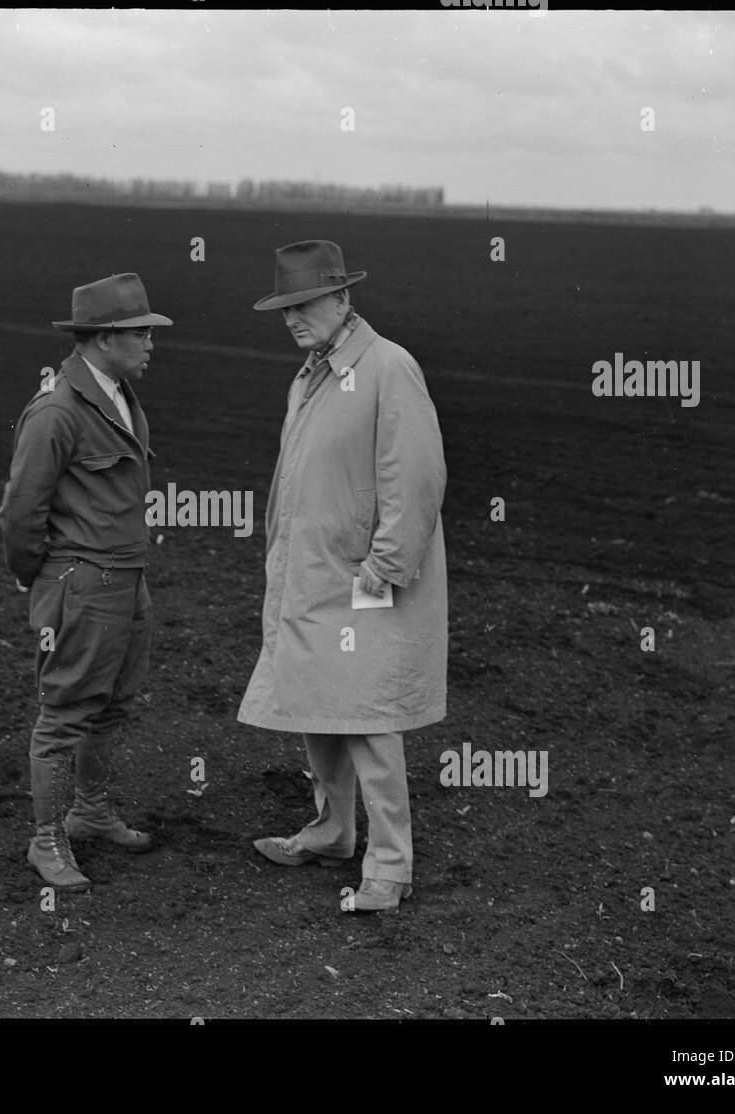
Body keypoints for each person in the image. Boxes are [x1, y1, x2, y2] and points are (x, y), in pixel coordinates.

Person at [239, 240, 448, 913]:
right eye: (285, 307)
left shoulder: (389, 367)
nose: (293, 317)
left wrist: (381, 574)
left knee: (368, 712)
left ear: (343, 298)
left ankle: (390, 864)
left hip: (364, 578)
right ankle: (333, 830)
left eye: (304, 304)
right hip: (314, 571)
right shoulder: (311, 374)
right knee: (317, 699)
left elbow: (416, 480)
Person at [0, 273, 172, 891]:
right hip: (83, 583)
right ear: (100, 340)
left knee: (113, 703)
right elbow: (20, 513)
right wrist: (39, 580)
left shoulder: (119, 394)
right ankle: (46, 840)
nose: (151, 343)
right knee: (66, 710)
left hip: (127, 578)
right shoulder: (56, 412)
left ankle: (91, 812)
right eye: (139, 333)